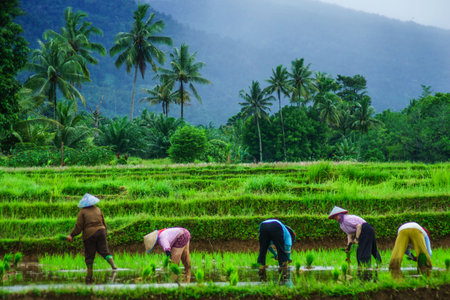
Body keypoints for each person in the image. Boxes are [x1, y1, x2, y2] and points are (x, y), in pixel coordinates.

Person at [67, 193, 116, 284]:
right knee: (104, 251)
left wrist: (71, 235)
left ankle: (89, 273)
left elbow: (79, 226)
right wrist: (105, 233)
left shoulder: (82, 212)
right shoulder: (98, 209)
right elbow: (103, 222)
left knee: (89, 254)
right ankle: (114, 266)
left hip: (89, 235)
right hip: (101, 231)